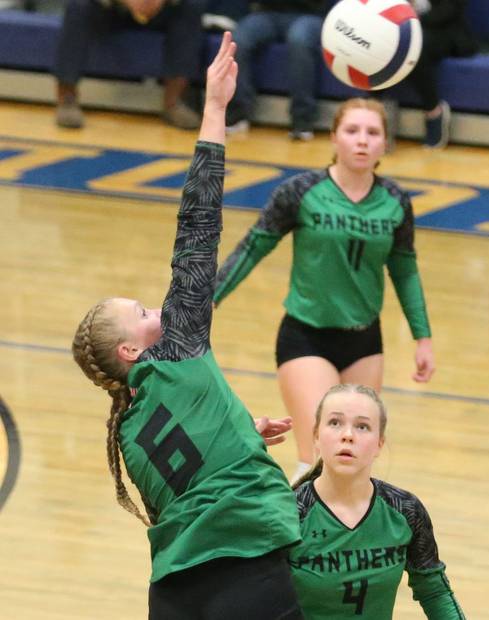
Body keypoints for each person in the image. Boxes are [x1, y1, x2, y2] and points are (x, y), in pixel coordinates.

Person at [70, 33, 303, 619]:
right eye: (145, 314)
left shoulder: (126, 428)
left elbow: (190, 471)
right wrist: (215, 109)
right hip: (243, 564)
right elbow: (198, 225)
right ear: (131, 348)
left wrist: (239, 429)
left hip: (174, 592)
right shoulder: (174, 350)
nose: (160, 310)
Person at [213, 97, 435, 483]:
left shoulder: (395, 202)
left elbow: (405, 269)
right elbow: (253, 247)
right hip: (306, 338)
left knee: (355, 467)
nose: (362, 141)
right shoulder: (300, 192)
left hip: (365, 341)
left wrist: (423, 337)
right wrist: (206, 301)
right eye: (352, 131)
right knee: (319, 457)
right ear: (334, 138)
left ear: (385, 143)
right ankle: (293, 540)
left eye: (373, 132)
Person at [290, 383, 464, 619]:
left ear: (379, 444)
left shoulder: (405, 510)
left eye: (362, 426)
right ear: (316, 436)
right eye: (335, 423)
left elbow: (434, 593)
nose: (348, 435)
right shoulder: (289, 513)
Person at [53, 0, 205, 130]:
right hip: (111, 9)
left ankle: (174, 102)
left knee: (191, 6)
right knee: (78, 5)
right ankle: (67, 98)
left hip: (158, 9)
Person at [224, 0, 326, 139]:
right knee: (239, 41)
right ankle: (238, 114)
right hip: (267, 12)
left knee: (299, 41)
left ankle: (303, 120)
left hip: (310, 14)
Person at [388, 0, 477, 149]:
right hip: (394, 23)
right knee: (374, 44)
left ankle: (434, 111)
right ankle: (377, 115)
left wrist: (411, 18)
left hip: (441, 27)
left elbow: (449, 9)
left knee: (414, 48)